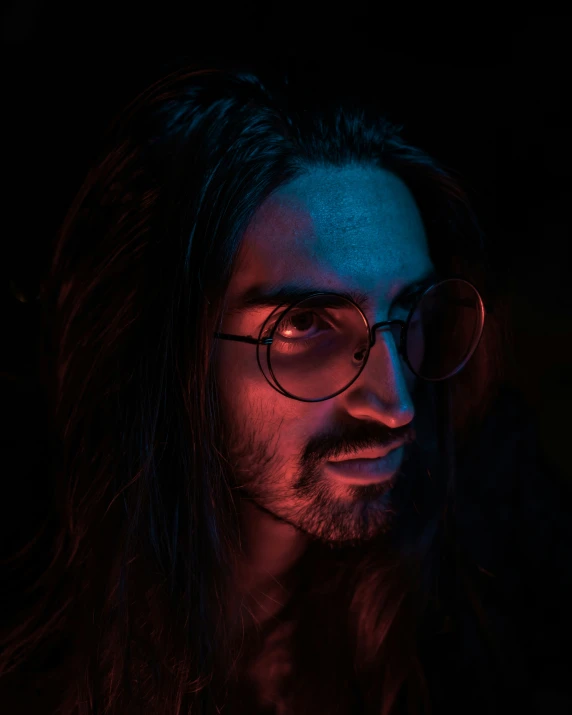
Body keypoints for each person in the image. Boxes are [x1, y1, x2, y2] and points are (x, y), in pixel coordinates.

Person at [1, 64, 571, 715]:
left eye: (410, 311)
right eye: (305, 323)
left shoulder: (486, 542)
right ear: (164, 349)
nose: (396, 403)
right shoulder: (33, 636)